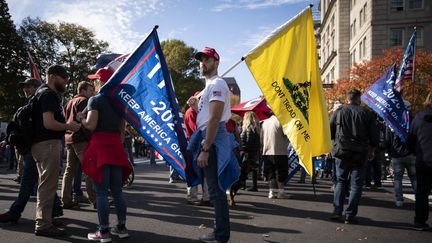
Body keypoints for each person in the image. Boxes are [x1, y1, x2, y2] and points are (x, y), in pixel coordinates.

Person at [187, 47, 239, 243]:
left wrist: (206, 149)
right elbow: (207, 116)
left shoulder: (217, 83)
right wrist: (195, 107)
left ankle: (221, 235)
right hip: (209, 135)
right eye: (201, 60)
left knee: (216, 191)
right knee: (215, 190)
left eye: (207, 59)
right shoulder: (208, 87)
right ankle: (219, 233)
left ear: (216, 63)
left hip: (213, 138)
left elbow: (215, 118)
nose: (203, 63)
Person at [0, 78, 63, 226]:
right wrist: (9, 140)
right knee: (41, 181)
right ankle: (55, 209)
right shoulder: (32, 104)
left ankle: (17, 213)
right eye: (25, 87)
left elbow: (43, 125)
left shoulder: (41, 101)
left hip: (37, 148)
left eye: (29, 87)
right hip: (34, 148)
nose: (26, 90)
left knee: (32, 182)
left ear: (37, 87)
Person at [80, 68, 133, 241]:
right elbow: (122, 129)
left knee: (101, 192)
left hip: (100, 147)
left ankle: (103, 231)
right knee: (117, 191)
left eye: (96, 80)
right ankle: (121, 227)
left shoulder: (95, 100)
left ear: (100, 82)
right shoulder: (119, 102)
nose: (94, 83)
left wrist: (81, 118)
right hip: (115, 147)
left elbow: (91, 125)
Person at [31, 66, 81, 236]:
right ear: (52, 77)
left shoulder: (42, 92)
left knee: (46, 183)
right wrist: (69, 126)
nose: (66, 80)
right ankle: (43, 224)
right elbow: (49, 123)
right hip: (48, 144)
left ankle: (46, 218)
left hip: (43, 144)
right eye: (63, 77)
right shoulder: (48, 94)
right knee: (48, 184)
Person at [330, 89, 379, 224]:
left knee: (341, 181)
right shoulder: (366, 113)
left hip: (342, 151)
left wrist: (334, 144)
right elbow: (374, 135)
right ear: (359, 99)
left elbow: (330, 130)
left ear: (347, 99)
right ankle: (350, 214)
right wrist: (373, 149)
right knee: (356, 185)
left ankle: (337, 211)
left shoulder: (339, 112)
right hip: (360, 152)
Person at [61, 81, 96, 209]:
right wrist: (90, 138)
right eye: (91, 90)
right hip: (81, 139)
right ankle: (95, 199)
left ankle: (66, 199)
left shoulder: (69, 102)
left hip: (69, 138)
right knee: (89, 169)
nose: (92, 93)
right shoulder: (85, 101)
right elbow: (85, 123)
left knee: (69, 170)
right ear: (83, 90)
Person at [408, 92, 432, 230]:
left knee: (422, 193)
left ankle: (420, 221)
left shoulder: (419, 118)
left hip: (423, 160)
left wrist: (413, 151)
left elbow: (411, 139)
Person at [385, 101, 416, 207]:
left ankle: (399, 200)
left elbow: (388, 138)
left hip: (397, 154)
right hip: (411, 153)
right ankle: (419, 197)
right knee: (414, 177)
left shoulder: (393, 121)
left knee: (398, 178)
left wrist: (389, 151)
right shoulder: (414, 120)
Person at [184, 96, 211, 206]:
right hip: (194, 145)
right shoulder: (191, 112)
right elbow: (198, 129)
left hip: (197, 144)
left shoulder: (197, 112)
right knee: (194, 170)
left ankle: (205, 196)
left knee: (202, 171)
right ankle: (193, 196)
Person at [261, 115, 289, 199]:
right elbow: (287, 135)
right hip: (280, 151)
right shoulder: (282, 121)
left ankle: (271, 192)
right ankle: (281, 192)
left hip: (267, 151)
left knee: (270, 173)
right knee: (281, 172)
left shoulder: (265, 122)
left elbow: (261, 137)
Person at [240, 111, 261, 191]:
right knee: (253, 168)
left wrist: (243, 148)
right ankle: (254, 185)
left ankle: (243, 184)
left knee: (244, 168)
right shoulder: (257, 128)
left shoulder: (248, 128)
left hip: (248, 151)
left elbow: (247, 141)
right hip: (255, 151)